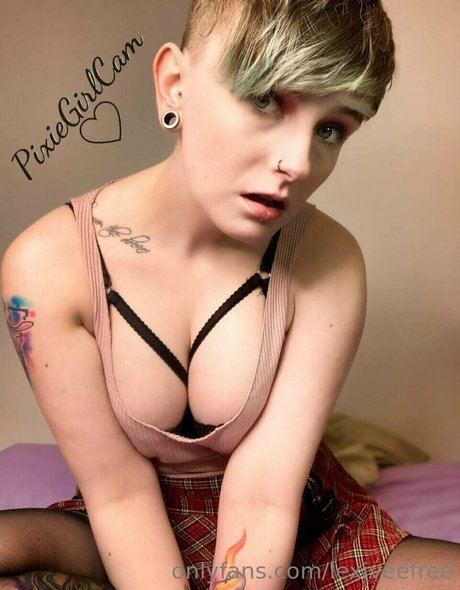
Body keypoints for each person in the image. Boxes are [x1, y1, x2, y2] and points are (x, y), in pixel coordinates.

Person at [1, 0, 459, 589]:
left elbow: (265, 499)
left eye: (331, 129)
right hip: (126, 528)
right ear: (174, 84)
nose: (298, 162)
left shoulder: (329, 262)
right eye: (266, 100)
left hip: (298, 532)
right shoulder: (48, 265)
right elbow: (118, 495)